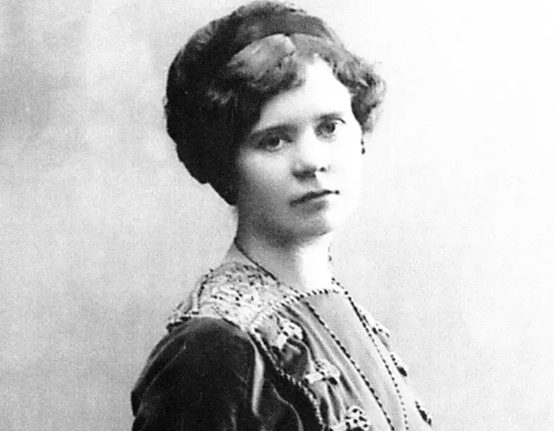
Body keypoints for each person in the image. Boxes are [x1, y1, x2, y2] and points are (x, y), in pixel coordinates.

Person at [130, 2, 434, 430]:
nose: (312, 162)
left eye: (329, 127)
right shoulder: (214, 349)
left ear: (360, 134)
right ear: (225, 164)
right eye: (273, 140)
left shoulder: (345, 313)